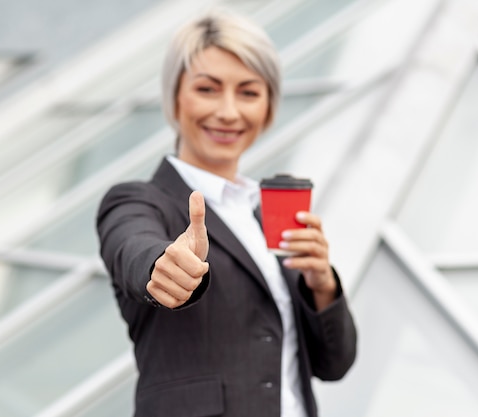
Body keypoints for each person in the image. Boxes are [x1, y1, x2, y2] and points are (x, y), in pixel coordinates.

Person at [97, 9, 357, 417]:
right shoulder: (137, 202)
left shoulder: (267, 217)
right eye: (208, 89)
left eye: (249, 93)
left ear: (268, 108)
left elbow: (335, 363)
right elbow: (133, 246)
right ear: (175, 97)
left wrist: (321, 283)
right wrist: (165, 266)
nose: (229, 112)